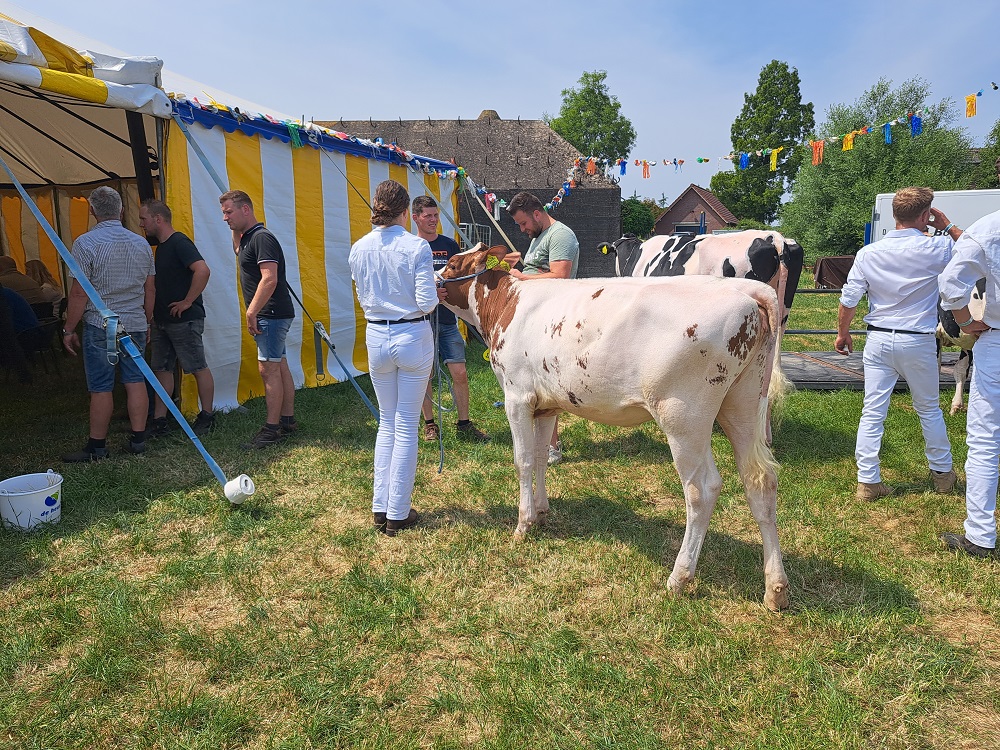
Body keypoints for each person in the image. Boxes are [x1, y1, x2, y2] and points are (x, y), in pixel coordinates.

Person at [835, 187, 961, 500]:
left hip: (877, 337)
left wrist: (842, 333)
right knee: (929, 409)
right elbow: (975, 247)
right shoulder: (940, 248)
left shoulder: (869, 253)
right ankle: (943, 475)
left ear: (894, 215)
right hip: (917, 340)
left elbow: (849, 299)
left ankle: (868, 481)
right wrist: (945, 224)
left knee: (872, 411)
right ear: (925, 215)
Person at [349, 180, 437, 537]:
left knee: (387, 422)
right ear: (404, 212)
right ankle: (397, 511)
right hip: (410, 335)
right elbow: (428, 301)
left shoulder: (358, 247)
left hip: (376, 335)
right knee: (404, 425)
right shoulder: (416, 246)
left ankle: (380, 506)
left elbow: (362, 295)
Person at [61, 186, 155, 462]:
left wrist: (68, 329)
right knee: (136, 380)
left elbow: (79, 292)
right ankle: (138, 439)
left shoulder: (85, 243)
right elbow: (150, 289)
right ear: (122, 210)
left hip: (100, 323)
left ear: (92, 211)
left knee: (101, 385)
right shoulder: (141, 243)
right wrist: (147, 321)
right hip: (134, 320)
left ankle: (97, 446)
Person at [938, 206, 1000, 558]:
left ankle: (980, 535)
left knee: (986, 438)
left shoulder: (990, 228)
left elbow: (950, 282)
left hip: (997, 339)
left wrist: (964, 320)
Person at [504, 191, 580, 465]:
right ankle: (546, 444)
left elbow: (559, 276)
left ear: (537, 214)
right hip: (537, 314)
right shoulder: (539, 236)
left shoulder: (561, 235)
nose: (523, 229)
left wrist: (522, 277)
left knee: (547, 381)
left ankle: (552, 446)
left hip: (552, 316)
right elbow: (541, 270)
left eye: (524, 223)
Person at [219, 190, 297, 448]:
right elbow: (238, 252)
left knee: (269, 369)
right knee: (279, 364)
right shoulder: (248, 238)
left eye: (229, 212)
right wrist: (234, 228)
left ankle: (271, 429)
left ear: (246, 210)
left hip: (270, 313)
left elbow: (270, 278)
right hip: (271, 312)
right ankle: (286, 421)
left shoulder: (262, 238)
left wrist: (252, 311)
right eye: (223, 213)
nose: (225, 217)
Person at [412, 195, 489, 443]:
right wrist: (429, 294)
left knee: (461, 372)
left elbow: (463, 280)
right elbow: (404, 286)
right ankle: (430, 424)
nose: (434, 220)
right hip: (421, 323)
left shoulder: (450, 246)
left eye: (436, 215)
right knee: (425, 375)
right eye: (428, 216)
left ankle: (464, 423)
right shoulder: (410, 247)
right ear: (415, 218)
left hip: (448, 321)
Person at [138, 199, 216, 437]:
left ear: (158, 219)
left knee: (197, 366)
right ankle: (160, 421)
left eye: (144, 219)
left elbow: (202, 270)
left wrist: (187, 301)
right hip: (163, 320)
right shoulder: (162, 247)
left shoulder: (179, 242)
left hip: (184, 319)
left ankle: (208, 416)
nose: (141, 224)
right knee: (162, 368)